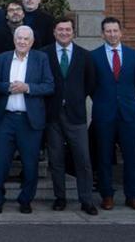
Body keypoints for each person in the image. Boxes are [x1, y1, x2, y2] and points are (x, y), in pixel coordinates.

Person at [0, 26, 54, 214]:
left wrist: (27, 87)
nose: (22, 42)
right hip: (5, 120)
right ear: (14, 40)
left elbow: (49, 86)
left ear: (32, 42)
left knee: (30, 164)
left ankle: (26, 200)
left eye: (26, 39)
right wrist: (8, 87)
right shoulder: (1, 59)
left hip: (29, 121)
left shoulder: (40, 59)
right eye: (19, 38)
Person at [42, 17, 98, 215]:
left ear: (73, 32)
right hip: (53, 115)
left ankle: (86, 200)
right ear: (54, 32)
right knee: (56, 160)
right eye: (60, 30)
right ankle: (60, 197)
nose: (64, 33)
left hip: (76, 116)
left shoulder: (85, 56)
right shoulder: (44, 54)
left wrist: (73, 98)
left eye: (67, 30)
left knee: (83, 159)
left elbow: (90, 83)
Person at [91, 17, 135, 211]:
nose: (112, 34)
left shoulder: (134, 56)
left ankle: (133, 195)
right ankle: (107, 195)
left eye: (115, 31)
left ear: (121, 32)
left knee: (131, 157)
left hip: (128, 114)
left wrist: (122, 98)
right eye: (108, 31)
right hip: (104, 113)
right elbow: (91, 85)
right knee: (104, 156)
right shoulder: (93, 57)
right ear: (102, 34)